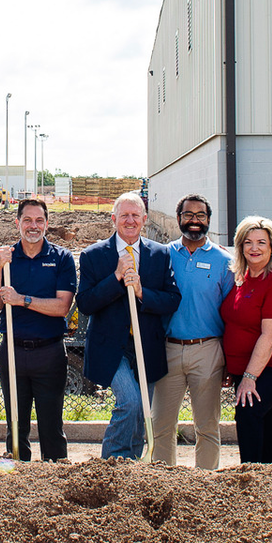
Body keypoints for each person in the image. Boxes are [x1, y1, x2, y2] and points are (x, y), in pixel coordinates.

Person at [77, 192, 181, 460]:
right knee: (131, 403)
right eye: (124, 215)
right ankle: (109, 466)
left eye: (136, 215)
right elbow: (86, 303)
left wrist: (141, 292)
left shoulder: (159, 255)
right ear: (114, 219)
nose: (130, 220)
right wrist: (116, 278)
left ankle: (131, 470)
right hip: (111, 348)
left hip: (146, 346)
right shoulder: (94, 256)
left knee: (143, 409)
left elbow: (172, 299)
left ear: (145, 219)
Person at [0, 197, 77, 462]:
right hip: (12, 351)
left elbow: (61, 307)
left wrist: (22, 299)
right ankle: (16, 486)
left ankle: (56, 482)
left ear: (47, 224)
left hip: (49, 352)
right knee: (15, 425)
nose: (33, 226)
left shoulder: (61, 258)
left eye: (39, 221)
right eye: (27, 220)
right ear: (17, 223)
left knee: (51, 427)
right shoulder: (5, 258)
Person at [152, 194, 230, 469]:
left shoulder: (224, 261)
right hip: (168, 349)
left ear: (208, 220)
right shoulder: (163, 255)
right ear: (179, 219)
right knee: (161, 425)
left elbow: (231, 311)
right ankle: (163, 483)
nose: (194, 221)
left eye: (201, 215)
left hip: (208, 350)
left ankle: (205, 486)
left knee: (207, 426)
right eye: (188, 215)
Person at [220, 216, 272, 464]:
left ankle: (250, 477)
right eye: (248, 242)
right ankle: (270, 475)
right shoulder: (241, 277)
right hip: (245, 367)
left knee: (248, 412)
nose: (254, 248)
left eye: (261, 242)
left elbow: (271, 334)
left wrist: (249, 378)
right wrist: (231, 367)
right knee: (262, 420)